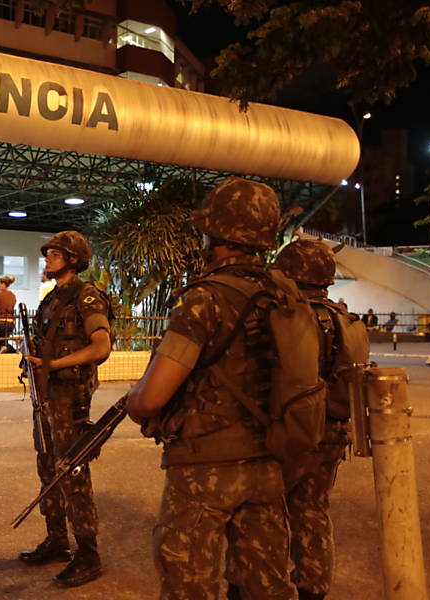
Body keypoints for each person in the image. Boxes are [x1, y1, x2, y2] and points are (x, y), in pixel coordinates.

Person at [123, 177, 297, 599]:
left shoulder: (204, 299)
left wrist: (133, 399)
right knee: (268, 584)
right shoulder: (282, 295)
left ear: (215, 233)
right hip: (270, 462)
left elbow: (152, 397)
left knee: (190, 583)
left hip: (206, 469)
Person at [262, 239, 369, 600]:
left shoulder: (289, 317)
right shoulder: (345, 319)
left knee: (267, 512)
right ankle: (314, 587)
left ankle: (262, 585)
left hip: (291, 432)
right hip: (334, 431)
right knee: (313, 510)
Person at [20, 230, 111, 588]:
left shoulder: (87, 296)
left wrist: (54, 365)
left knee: (72, 473)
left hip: (70, 399)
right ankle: (57, 539)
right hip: (47, 398)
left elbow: (101, 347)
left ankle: (88, 553)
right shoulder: (51, 299)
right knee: (47, 468)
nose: (48, 258)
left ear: (73, 259)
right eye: (48, 253)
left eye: (55, 253)